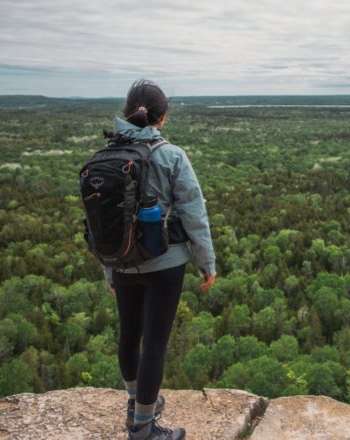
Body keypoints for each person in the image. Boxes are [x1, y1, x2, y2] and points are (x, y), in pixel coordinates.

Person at [103, 80, 216, 440]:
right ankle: (143, 428)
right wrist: (206, 262)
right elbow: (194, 213)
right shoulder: (171, 155)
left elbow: (104, 222)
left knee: (129, 335)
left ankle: (135, 404)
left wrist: (109, 268)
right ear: (161, 118)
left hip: (121, 262)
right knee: (154, 342)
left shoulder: (107, 155)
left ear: (127, 112)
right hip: (165, 264)